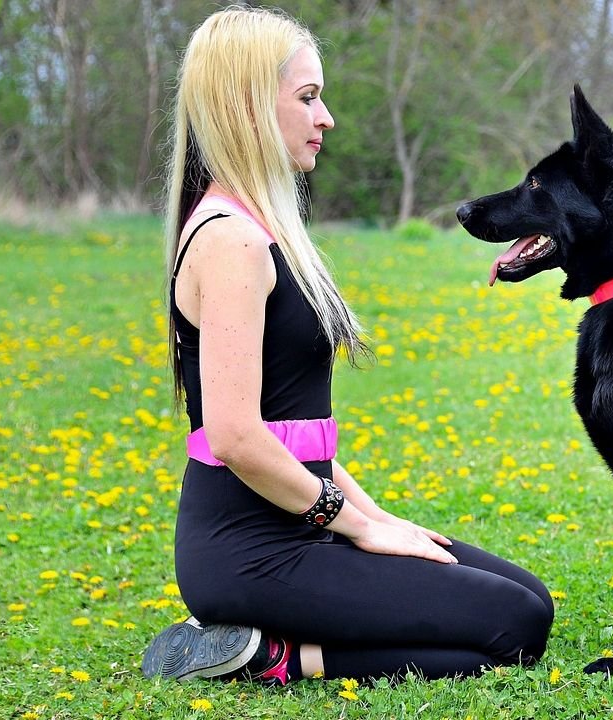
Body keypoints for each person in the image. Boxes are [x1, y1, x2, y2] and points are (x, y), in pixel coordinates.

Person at [141, 6, 552, 685]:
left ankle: (271, 641)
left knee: (528, 598)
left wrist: (376, 516)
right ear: (246, 107)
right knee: (512, 628)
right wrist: (357, 530)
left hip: (300, 520)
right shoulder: (229, 241)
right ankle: (270, 658)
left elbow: (294, 432)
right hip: (249, 551)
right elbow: (238, 436)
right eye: (306, 98)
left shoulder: (260, 228)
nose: (325, 116)